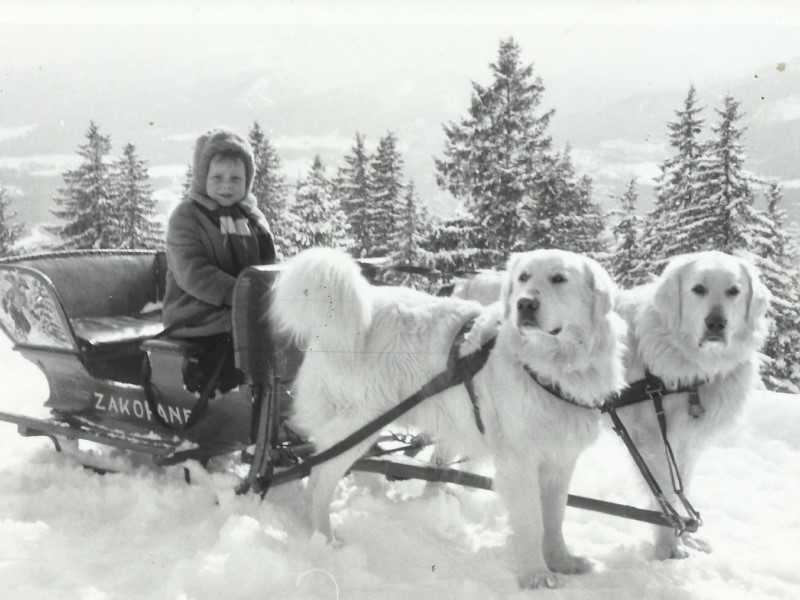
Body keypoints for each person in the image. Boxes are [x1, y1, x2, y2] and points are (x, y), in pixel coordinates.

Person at [162, 127, 276, 393]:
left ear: (248, 180)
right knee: (239, 343)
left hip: (243, 309)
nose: (227, 185)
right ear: (203, 177)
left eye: (236, 178)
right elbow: (192, 272)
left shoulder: (252, 217)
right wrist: (243, 295)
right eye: (218, 177)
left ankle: (278, 397)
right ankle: (213, 393)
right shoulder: (187, 216)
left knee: (286, 333)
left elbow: (269, 260)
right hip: (196, 313)